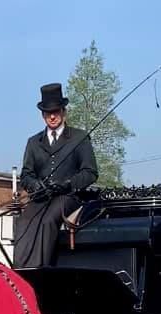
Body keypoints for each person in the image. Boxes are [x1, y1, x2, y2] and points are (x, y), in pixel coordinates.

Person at [13, 83, 98, 268]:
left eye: (56, 111)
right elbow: (26, 175)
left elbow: (90, 173)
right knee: (24, 221)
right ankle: (21, 270)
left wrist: (68, 184)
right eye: (48, 113)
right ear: (42, 115)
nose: (52, 116)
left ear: (63, 112)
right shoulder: (34, 142)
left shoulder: (79, 138)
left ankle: (43, 270)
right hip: (41, 197)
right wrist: (35, 185)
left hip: (67, 196)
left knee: (47, 221)